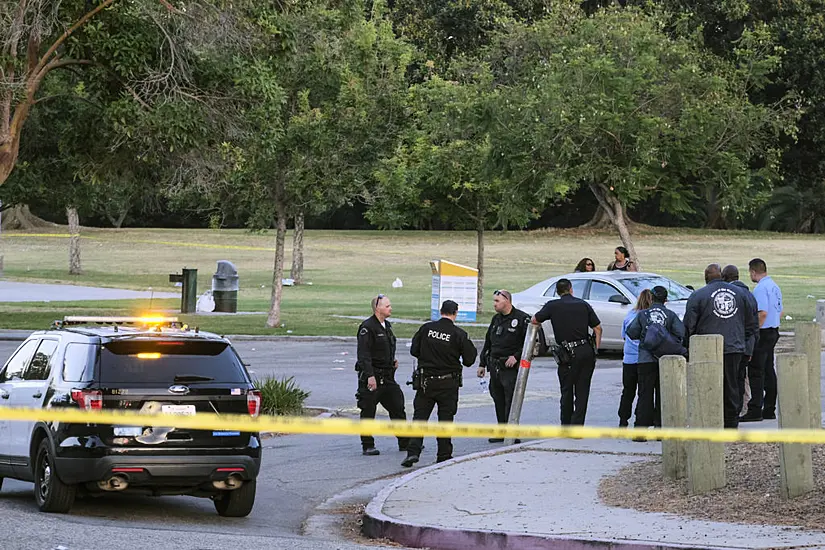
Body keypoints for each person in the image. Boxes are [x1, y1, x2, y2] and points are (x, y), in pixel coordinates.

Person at [402, 300, 478, 467]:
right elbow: (470, 360)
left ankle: (412, 453)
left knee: (419, 418)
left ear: (441, 311)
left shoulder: (426, 329)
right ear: (455, 313)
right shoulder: (459, 334)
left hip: (426, 383)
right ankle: (443, 455)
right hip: (448, 384)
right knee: (445, 420)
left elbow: (414, 350)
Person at [683, 264, 757, 429]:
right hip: (734, 347)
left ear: (705, 276)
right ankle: (731, 422)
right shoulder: (741, 294)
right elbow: (751, 324)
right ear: (722, 276)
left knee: (707, 385)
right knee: (732, 385)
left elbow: (689, 325)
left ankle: (709, 419)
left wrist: (688, 346)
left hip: (706, 348)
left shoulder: (698, 295)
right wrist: (743, 342)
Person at [532, 279, 602, 425]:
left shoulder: (552, 306)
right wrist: (596, 348)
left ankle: (566, 424)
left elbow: (535, 320)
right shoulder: (583, 304)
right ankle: (577, 426)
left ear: (557, 291)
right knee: (582, 391)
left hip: (566, 353)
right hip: (585, 350)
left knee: (567, 389)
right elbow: (597, 328)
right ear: (571, 289)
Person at [626, 286, 686, 429]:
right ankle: (660, 427)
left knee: (644, 394)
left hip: (645, 359)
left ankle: (641, 429)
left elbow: (631, 332)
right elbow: (681, 332)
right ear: (666, 300)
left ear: (651, 298)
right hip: (665, 360)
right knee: (662, 394)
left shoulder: (643, 314)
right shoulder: (670, 315)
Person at [355, 294, 407, 456]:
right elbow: (363, 354)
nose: (390, 308)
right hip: (373, 377)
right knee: (368, 410)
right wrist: (370, 376)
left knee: (398, 407)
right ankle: (367, 445)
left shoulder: (387, 326)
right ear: (377, 308)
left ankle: (405, 442)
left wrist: (392, 361)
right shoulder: (367, 327)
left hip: (388, 376)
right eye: (387, 306)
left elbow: (386, 348)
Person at [478, 289, 532, 443]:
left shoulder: (521, 319)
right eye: (494, 301)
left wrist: (516, 356)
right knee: (498, 398)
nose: (494, 304)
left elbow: (530, 343)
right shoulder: (496, 319)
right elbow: (488, 342)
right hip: (495, 365)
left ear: (507, 301)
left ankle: (512, 433)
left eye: (497, 301)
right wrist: (482, 363)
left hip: (510, 367)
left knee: (510, 399)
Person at [741, 258, 783, 422]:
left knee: (756, 371)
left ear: (753, 271)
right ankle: (769, 408)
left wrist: (754, 332)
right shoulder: (774, 286)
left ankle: (755, 409)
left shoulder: (760, 289)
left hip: (763, 332)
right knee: (768, 369)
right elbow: (779, 310)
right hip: (773, 330)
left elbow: (762, 312)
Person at [721, 265, 759, 418]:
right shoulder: (749, 294)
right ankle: (738, 409)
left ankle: (731, 411)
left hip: (733, 344)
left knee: (731, 379)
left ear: (724, 277)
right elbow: (753, 323)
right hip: (747, 344)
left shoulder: (731, 294)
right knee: (740, 377)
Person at [618, 289, 653, 427]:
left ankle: (623, 420)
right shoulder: (650, 317)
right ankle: (640, 419)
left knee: (628, 391)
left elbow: (623, 335)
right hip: (645, 359)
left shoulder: (630, 315)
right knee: (643, 392)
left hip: (629, 359)